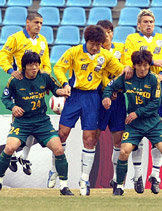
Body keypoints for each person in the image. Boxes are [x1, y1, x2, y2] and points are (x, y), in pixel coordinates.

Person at [48, 25, 131, 196]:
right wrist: (64, 83)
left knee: (89, 139)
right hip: (74, 96)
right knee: (62, 134)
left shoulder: (105, 55)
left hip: (93, 98)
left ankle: (84, 179)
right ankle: (53, 168)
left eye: (99, 44)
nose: (95, 48)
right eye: (93, 44)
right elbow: (58, 68)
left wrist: (113, 87)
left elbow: (120, 71)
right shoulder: (74, 52)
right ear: (86, 41)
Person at [102, 50, 162, 196]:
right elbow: (109, 87)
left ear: (149, 65)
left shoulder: (154, 79)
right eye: (139, 65)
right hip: (134, 125)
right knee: (124, 151)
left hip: (152, 122)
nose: (142, 68)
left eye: (146, 65)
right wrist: (107, 97)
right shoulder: (127, 77)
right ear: (134, 65)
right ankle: (120, 186)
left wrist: (136, 113)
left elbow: (156, 103)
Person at [0, 52, 73, 195]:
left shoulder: (44, 76)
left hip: (42, 122)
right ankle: (0, 180)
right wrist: (13, 107)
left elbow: (54, 89)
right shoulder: (15, 80)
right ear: (24, 67)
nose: (34, 68)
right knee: (9, 148)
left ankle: (64, 186)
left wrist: (62, 91)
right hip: (22, 122)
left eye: (36, 64)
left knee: (59, 149)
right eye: (31, 65)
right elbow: (5, 97)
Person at [123, 9, 162, 194]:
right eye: (145, 22)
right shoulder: (132, 39)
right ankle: (138, 176)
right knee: (138, 133)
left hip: (159, 88)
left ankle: (155, 176)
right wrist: (153, 63)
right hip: (139, 89)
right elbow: (129, 63)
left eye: (151, 21)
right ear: (139, 25)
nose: (149, 24)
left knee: (158, 132)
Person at [0, 11, 51, 176]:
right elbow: (4, 55)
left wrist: (46, 80)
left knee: (35, 119)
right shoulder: (16, 38)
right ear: (27, 22)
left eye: (41, 23)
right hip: (21, 85)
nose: (39, 26)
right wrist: (10, 70)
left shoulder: (42, 41)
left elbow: (47, 63)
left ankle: (24, 156)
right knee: (20, 119)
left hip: (37, 85)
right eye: (36, 22)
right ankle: (14, 154)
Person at [96, 20, 126, 193]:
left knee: (118, 138)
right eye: (102, 32)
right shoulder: (95, 52)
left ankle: (115, 178)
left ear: (112, 33)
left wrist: (116, 88)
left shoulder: (121, 49)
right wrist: (108, 89)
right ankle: (85, 179)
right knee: (93, 137)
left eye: (108, 32)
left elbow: (126, 70)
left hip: (119, 99)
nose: (106, 35)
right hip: (100, 97)